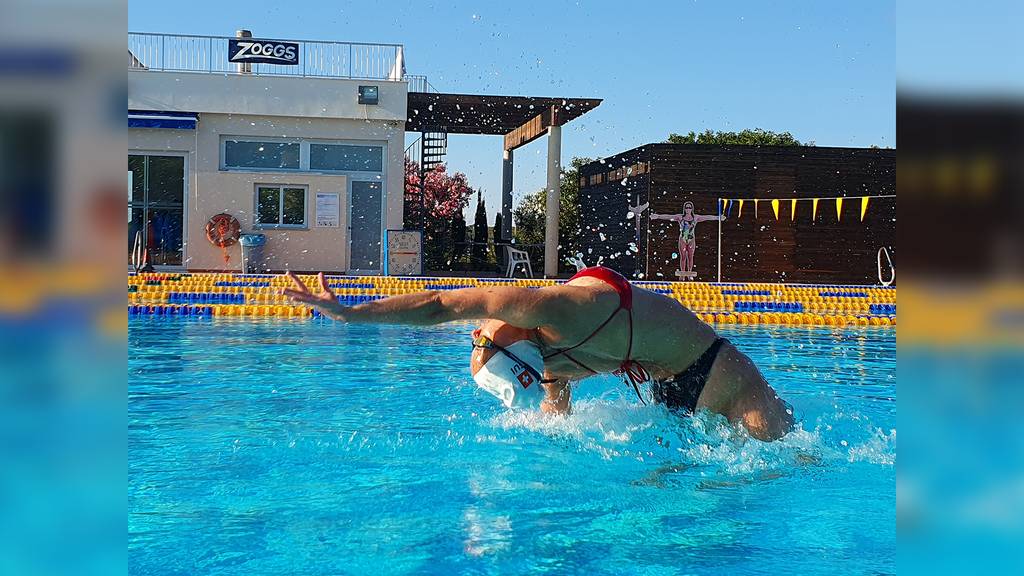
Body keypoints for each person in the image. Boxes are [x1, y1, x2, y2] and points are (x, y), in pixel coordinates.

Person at [282, 266, 793, 441]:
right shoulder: (550, 361)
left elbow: (441, 304)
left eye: (478, 338)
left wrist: (354, 314)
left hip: (722, 373)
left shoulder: (554, 308)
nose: (476, 332)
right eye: (481, 339)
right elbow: (558, 420)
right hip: (672, 393)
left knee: (795, 463)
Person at [647, 201, 724, 278]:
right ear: (684, 209)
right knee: (683, 256)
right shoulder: (680, 217)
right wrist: (657, 216)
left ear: (692, 209)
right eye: (686, 207)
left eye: (689, 207)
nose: (688, 209)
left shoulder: (696, 217)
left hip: (691, 239)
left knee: (690, 256)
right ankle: (683, 273)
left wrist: (718, 218)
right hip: (682, 239)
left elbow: (708, 217)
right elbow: (669, 216)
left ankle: (690, 273)